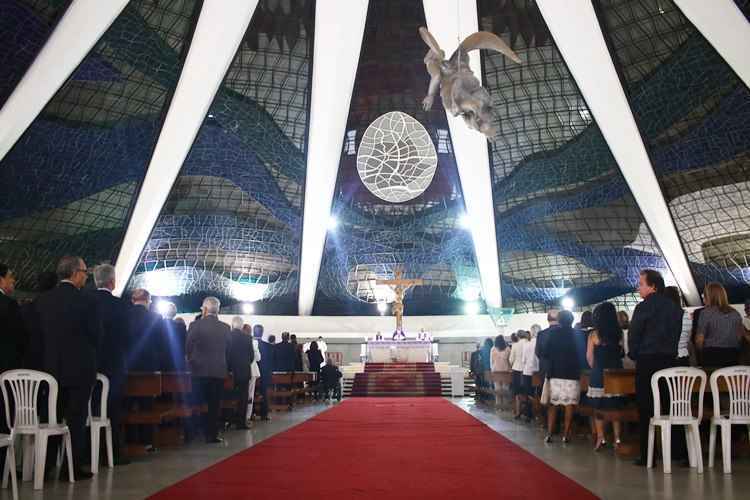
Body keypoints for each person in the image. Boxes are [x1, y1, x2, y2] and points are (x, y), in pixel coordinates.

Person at [29, 256, 100, 479]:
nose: (86, 276)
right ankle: (72, 468)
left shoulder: (43, 300)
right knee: (76, 420)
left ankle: (48, 465)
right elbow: (97, 335)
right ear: (75, 273)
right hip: (81, 368)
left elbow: (36, 337)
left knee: (52, 417)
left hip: (51, 369)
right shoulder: (87, 301)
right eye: (85, 272)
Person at [628, 269, 683, 466]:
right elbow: (676, 335)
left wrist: (635, 355)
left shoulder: (643, 308)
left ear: (653, 286)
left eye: (641, 284)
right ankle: (677, 453)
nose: (638, 287)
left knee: (645, 409)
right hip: (669, 361)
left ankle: (648, 455)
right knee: (672, 407)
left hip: (647, 361)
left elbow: (634, 336)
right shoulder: (675, 308)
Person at [87, 264, 130, 465]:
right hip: (114, 364)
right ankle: (114, 453)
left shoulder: (85, 301)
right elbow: (127, 336)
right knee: (113, 409)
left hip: (89, 364)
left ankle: (88, 452)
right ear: (112, 282)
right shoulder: (120, 305)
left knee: (88, 409)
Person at [186, 297, 230, 443]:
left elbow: (188, 347)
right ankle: (211, 435)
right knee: (214, 405)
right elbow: (228, 350)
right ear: (217, 310)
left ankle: (192, 434)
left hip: (199, 370)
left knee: (195, 403)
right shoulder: (225, 327)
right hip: (218, 371)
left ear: (204, 309)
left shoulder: (195, 325)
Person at [585, 302, 626, 451]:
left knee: (598, 408)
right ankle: (617, 438)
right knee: (615, 407)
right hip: (615, 374)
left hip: (598, 373)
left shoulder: (594, 335)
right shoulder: (618, 333)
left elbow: (589, 357)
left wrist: (595, 367)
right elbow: (623, 352)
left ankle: (601, 438)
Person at [0, 263, 26, 474]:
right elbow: (21, 339)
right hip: (5, 370)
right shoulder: (8, 305)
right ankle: (2, 469)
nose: (13, 281)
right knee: (3, 417)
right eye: (10, 277)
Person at [539, 310, 580, 443]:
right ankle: (565, 435)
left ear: (560, 320)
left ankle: (550, 433)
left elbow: (544, 352)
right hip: (572, 373)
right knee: (569, 405)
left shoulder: (552, 333)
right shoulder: (577, 334)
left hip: (555, 372)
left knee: (553, 405)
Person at [696, 282, 746, 367]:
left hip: (711, 355)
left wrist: (701, 351)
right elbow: (739, 337)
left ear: (709, 296)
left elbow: (699, 339)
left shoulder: (705, 313)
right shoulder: (735, 313)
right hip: (732, 355)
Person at [128, 289, 165, 372]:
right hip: (150, 364)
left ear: (133, 300)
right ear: (148, 300)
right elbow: (161, 342)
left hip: (128, 364)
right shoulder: (156, 317)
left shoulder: (124, 315)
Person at [227, 317, 252, 429]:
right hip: (244, 371)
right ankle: (241, 423)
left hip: (230, 371)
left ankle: (228, 420)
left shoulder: (227, 336)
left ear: (232, 325)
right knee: (243, 397)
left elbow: (225, 354)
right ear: (242, 326)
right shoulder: (247, 337)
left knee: (228, 396)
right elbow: (251, 356)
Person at [664, 286, 692, 366]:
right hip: (683, 357)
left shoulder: (661, 316)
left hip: (666, 358)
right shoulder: (686, 315)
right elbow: (688, 336)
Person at [521, 325, 541, 420]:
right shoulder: (541, 343)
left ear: (531, 332)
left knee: (529, 394)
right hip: (539, 372)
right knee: (539, 394)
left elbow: (523, 360)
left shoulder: (526, 344)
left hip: (527, 372)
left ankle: (529, 414)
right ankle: (539, 414)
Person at [161, 302, 187, 371]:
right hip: (178, 363)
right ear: (175, 313)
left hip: (161, 363)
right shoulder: (181, 327)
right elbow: (185, 345)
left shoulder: (158, 325)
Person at [535, 309, 559, 384]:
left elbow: (537, 352)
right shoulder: (565, 333)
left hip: (545, 367)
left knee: (545, 393)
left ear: (548, 319)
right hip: (560, 369)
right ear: (559, 319)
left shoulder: (541, 334)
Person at [508, 331, 529, 418]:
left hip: (517, 370)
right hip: (527, 370)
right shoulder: (529, 343)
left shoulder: (515, 345)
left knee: (517, 392)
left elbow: (511, 359)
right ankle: (528, 412)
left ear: (518, 336)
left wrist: (512, 364)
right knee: (527, 392)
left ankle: (518, 412)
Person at [255, 325, 273, 421]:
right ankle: (264, 414)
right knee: (264, 394)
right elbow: (270, 361)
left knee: (252, 393)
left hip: (253, 373)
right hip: (264, 373)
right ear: (262, 333)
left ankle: (252, 413)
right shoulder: (268, 346)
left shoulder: (250, 344)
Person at [245, 324, 261, 420]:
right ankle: (247, 416)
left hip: (240, 370)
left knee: (242, 394)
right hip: (252, 370)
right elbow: (258, 358)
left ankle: (244, 415)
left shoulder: (238, 341)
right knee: (250, 394)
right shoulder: (254, 342)